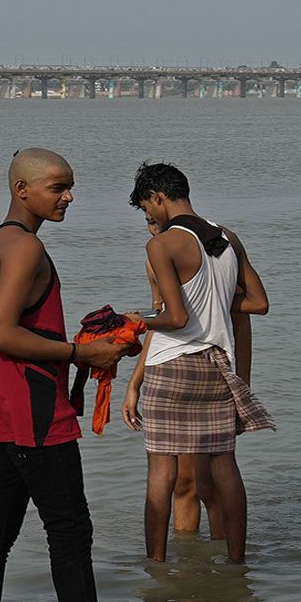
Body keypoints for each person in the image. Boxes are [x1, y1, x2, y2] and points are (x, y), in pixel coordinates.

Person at [0, 148, 133, 602]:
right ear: (22, 189)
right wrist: (79, 354)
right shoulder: (27, 249)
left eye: (70, 187)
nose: (68, 197)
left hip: (0, 408)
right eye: (57, 188)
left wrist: (64, 342)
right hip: (37, 414)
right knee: (70, 534)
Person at [122, 162, 274, 564]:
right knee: (226, 468)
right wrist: (217, 302)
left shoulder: (161, 245)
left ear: (157, 196)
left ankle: (156, 564)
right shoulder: (227, 237)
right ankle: (237, 562)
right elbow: (259, 303)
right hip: (217, 367)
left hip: (171, 366)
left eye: (145, 208)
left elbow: (174, 318)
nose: (148, 217)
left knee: (162, 474)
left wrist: (136, 320)